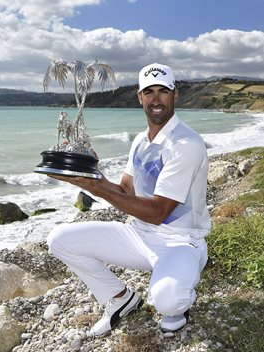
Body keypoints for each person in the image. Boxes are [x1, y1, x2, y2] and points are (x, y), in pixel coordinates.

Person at [47, 62, 211, 337]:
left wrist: (98, 190)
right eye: (149, 92)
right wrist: (86, 176)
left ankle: (179, 289)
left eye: (163, 91)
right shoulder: (140, 141)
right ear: (139, 97)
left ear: (175, 95)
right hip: (138, 236)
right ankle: (120, 298)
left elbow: (159, 211)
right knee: (59, 239)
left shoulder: (186, 144)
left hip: (180, 242)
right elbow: (125, 192)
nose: (156, 100)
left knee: (167, 302)